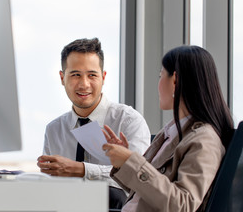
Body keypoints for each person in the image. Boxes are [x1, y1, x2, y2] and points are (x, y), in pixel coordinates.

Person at [102, 45, 234, 211]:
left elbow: (183, 204)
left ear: (175, 80)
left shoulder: (204, 140)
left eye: (160, 75)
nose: (157, 84)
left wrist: (132, 162)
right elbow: (148, 194)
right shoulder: (171, 133)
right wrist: (125, 163)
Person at [37, 38, 151, 209]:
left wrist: (81, 170)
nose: (84, 84)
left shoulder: (128, 121)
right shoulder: (54, 130)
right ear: (62, 78)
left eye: (92, 75)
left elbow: (142, 179)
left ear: (103, 77)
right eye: (75, 75)